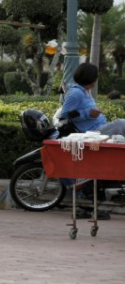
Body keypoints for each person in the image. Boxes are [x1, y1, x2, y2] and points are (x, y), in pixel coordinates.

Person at [60, 62, 125, 219]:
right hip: (92, 133)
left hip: (98, 128)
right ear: (90, 79)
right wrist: (88, 113)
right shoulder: (76, 93)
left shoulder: (83, 91)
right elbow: (65, 114)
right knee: (122, 124)